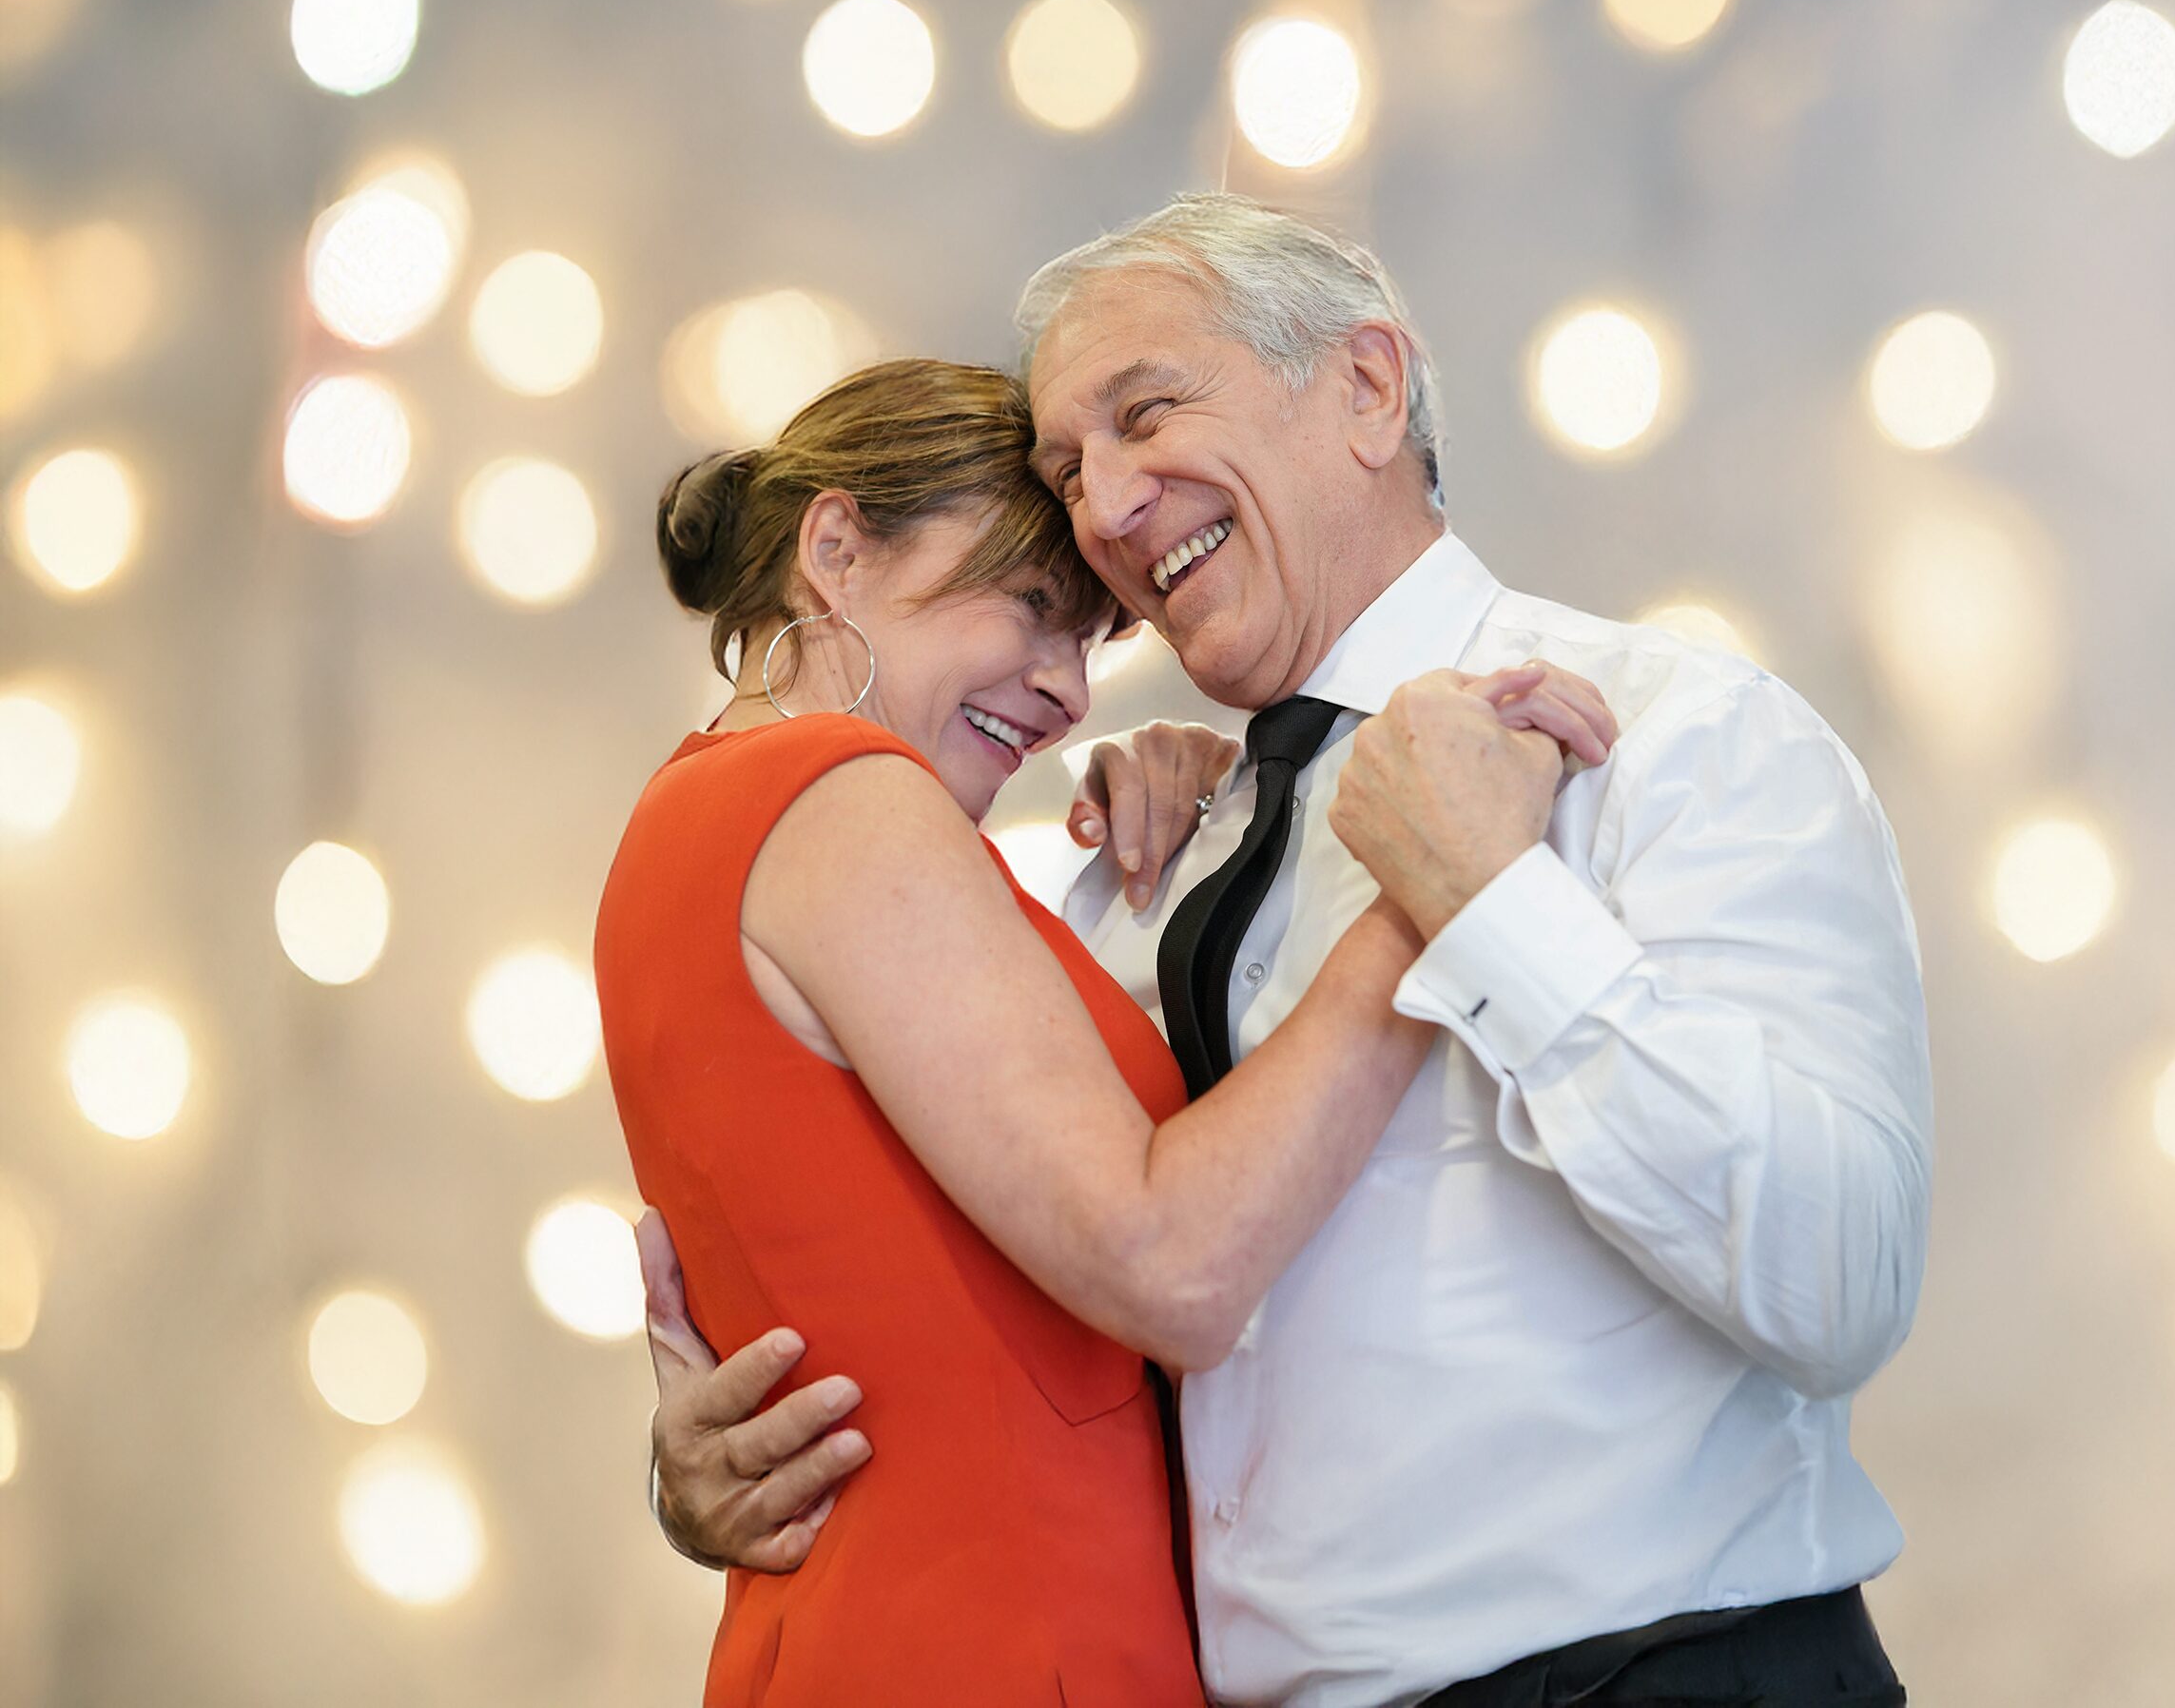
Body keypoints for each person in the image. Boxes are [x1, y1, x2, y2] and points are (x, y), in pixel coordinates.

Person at [647, 198, 1932, 1708]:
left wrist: (1490, 904)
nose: (1104, 506)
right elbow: (1060, 1275)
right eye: (1066, 471)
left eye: (1146, 413)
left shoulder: (1675, 734)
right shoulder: (1144, 858)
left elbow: (1843, 1279)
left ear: (1369, 389)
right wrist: (716, 1460)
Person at [593, 356, 1611, 1706]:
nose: (1072, 690)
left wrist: (1223, 829)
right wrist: (1433, 884)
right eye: (1031, 605)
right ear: (834, 551)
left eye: (1092, 638)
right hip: (1007, 1649)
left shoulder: (701, 820)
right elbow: (1172, 1262)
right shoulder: (839, 798)